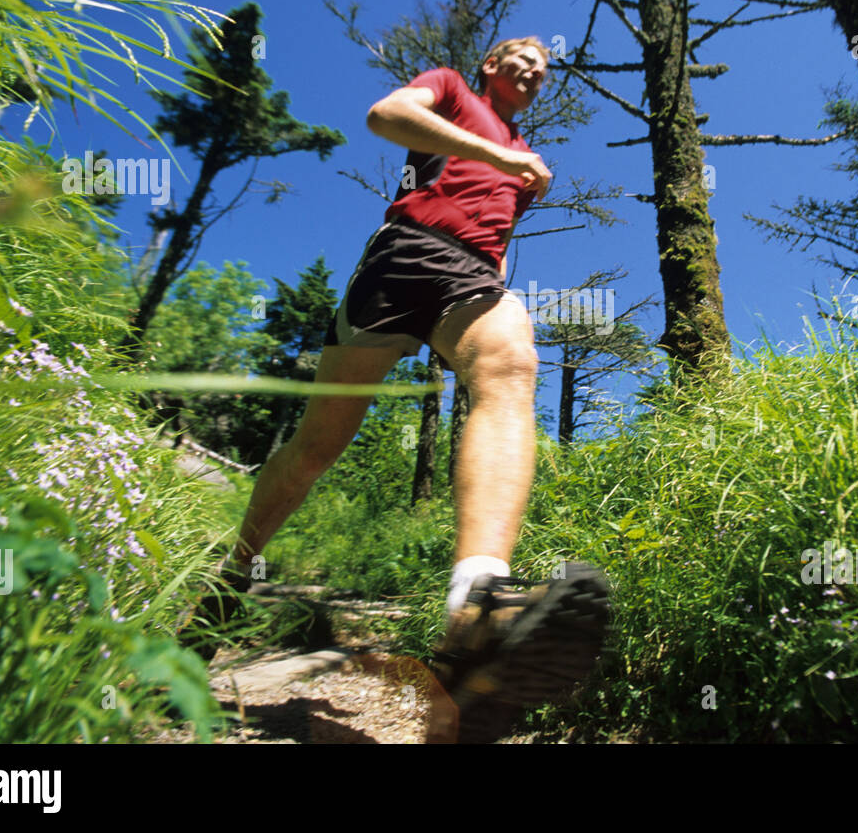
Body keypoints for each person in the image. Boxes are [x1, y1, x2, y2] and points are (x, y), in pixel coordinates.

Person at [190, 37, 609, 743]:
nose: (535, 66)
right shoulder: (452, 89)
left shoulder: (523, 147)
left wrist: (517, 170)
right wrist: (504, 159)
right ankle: (232, 576)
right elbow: (386, 115)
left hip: (473, 276)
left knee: (510, 363)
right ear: (488, 66)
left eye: (545, 63)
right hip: (403, 257)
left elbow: (490, 217)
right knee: (316, 450)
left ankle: (474, 606)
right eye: (520, 54)